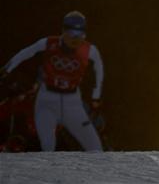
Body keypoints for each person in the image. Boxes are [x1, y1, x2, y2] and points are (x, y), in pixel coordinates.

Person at [0, 11, 104, 152]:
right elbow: (27, 52)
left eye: (80, 35)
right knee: (47, 143)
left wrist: (96, 100)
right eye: (72, 33)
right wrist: (7, 69)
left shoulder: (88, 50)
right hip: (46, 101)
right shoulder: (50, 44)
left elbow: (98, 69)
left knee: (92, 144)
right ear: (63, 32)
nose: (75, 39)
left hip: (71, 99)